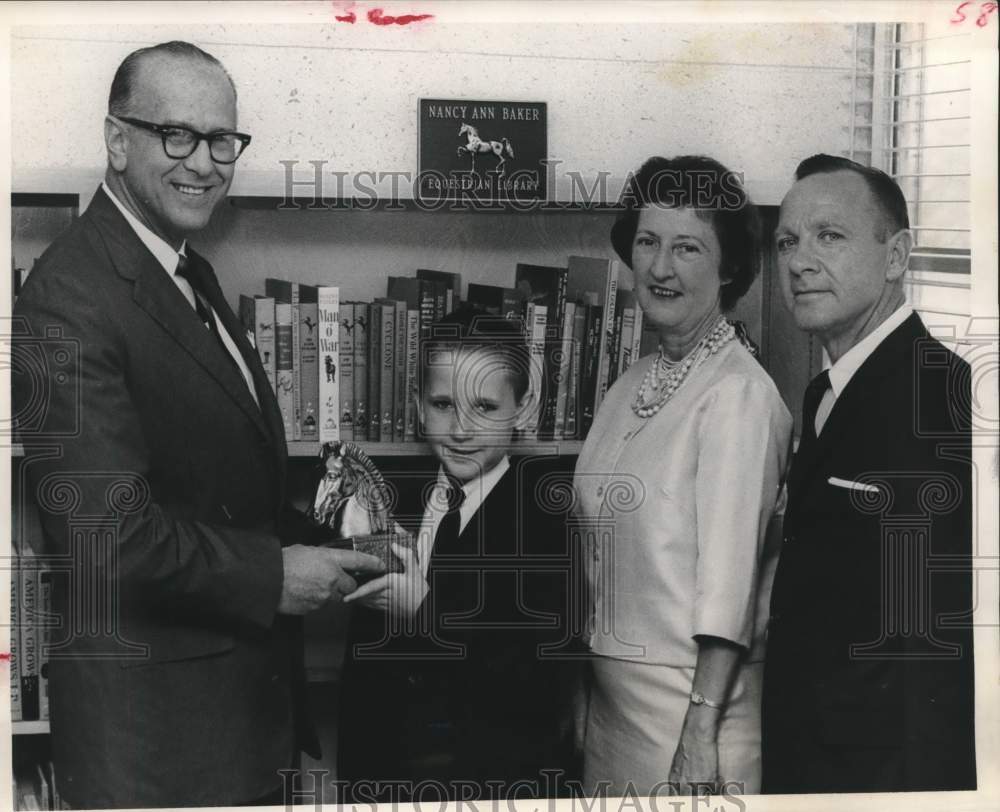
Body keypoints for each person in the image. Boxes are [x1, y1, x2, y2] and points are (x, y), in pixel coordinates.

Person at [11, 41, 382, 808]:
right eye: (176, 135)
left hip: (223, 719)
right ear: (117, 140)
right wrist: (277, 574)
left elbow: (220, 489)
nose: (204, 163)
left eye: (222, 140)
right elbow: (104, 536)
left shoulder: (183, 266)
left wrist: (349, 552)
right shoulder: (68, 294)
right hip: (154, 745)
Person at [573, 155, 793, 796]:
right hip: (615, 713)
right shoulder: (628, 384)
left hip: (693, 721)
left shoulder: (737, 396)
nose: (660, 268)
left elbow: (731, 589)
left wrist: (699, 736)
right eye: (647, 242)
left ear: (728, 269)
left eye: (687, 248)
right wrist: (588, 689)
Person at [762, 154, 975, 793]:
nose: (799, 261)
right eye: (787, 242)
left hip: (882, 776)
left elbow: (936, 654)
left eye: (829, 236)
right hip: (810, 756)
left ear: (895, 256)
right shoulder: (824, 391)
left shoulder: (943, 397)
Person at [336, 309, 578, 802]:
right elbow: (362, 679)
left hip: (493, 782)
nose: (462, 429)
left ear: (523, 408)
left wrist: (422, 612)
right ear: (417, 405)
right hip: (385, 778)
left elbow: (534, 676)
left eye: (485, 408)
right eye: (443, 404)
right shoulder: (388, 499)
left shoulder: (547, 519)